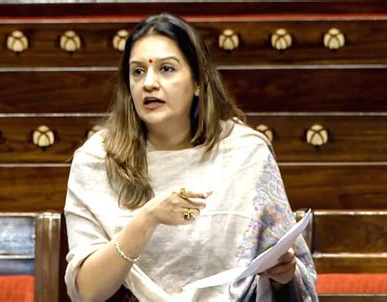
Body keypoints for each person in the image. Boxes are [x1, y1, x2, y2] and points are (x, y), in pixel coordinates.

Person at [64, 13, 318, 302]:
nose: (149, 83)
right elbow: (87, 291)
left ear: (198, 82)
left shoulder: (246, 154)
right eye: (137, 72)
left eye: (167, 69)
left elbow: (296, 283)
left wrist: (284, 276)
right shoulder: (97, 159)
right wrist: (148, 218)